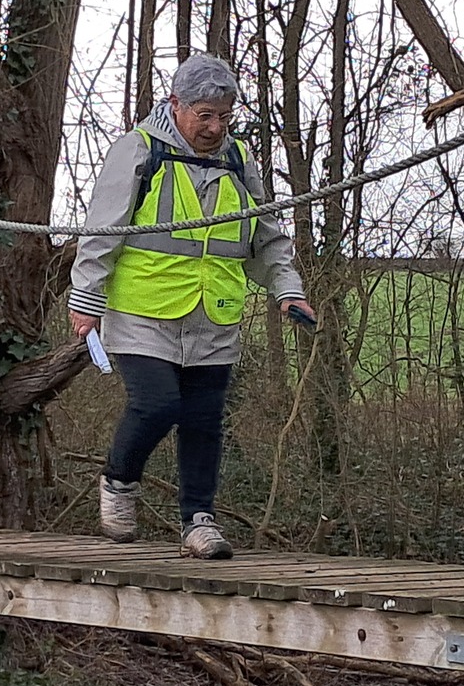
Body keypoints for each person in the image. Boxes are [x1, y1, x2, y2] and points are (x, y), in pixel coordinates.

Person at [68, 54, 315, 559]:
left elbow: (267, 237)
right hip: (143, 311)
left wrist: (287, 289)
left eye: (224, 116)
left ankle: (199, 521)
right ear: (176, 105)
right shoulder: (139, 150)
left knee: (205, 419)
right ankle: (119, 481)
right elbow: (101, 230)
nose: (215, 128)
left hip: (214, 314)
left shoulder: (239, 160)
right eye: (204, 115)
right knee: (157, 404)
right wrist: (87, 298)